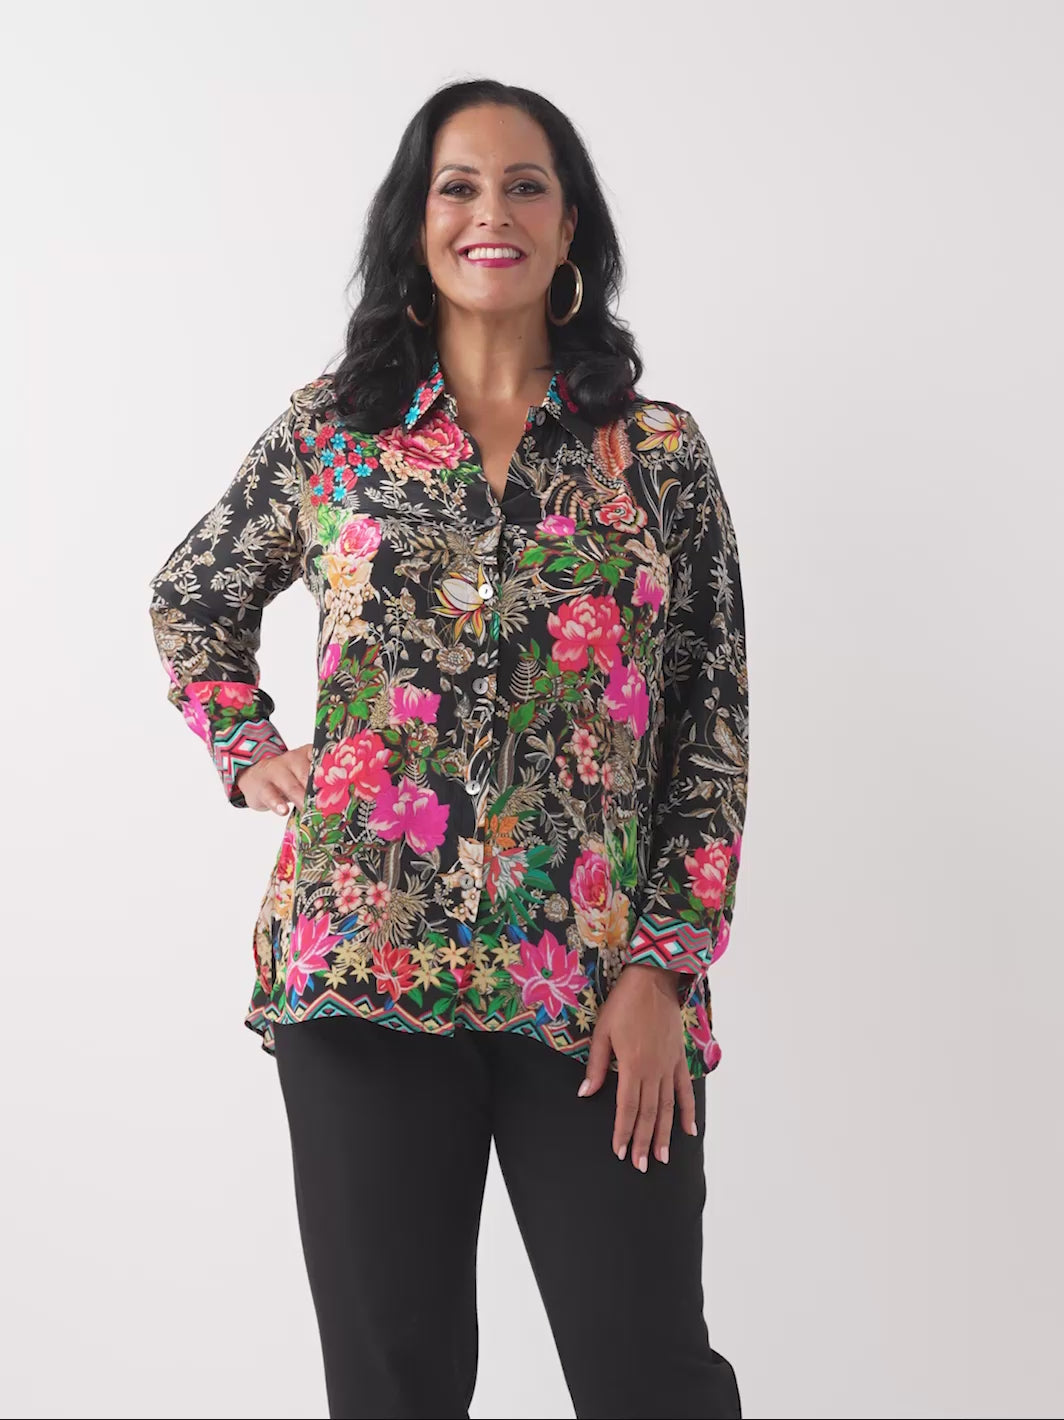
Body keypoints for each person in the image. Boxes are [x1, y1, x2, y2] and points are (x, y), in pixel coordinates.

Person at [148, 77, 749, 1420]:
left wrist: (666, 967)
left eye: (526, 185)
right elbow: (193, 596)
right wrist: (247, 746)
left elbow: (709, 722)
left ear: (570, 225)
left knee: (648, 1377)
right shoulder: (332, 433)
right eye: (459, 186)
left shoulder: (656, 455)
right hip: (362, 969)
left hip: (595, 989)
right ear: (415, 224)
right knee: (394, 1389)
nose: (493, 212)